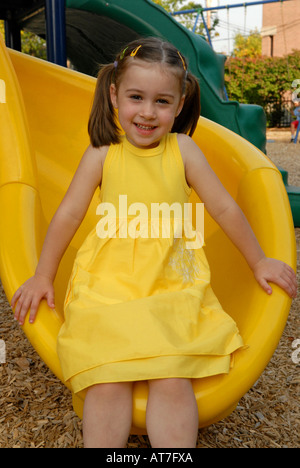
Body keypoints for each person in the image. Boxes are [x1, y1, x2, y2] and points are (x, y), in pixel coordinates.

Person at [11, 37, 297, 448]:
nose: (147, 112)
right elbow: (68, 215)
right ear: (114, 94)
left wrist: (259, 262)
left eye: (162, 101)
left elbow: (226, 209)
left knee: (172, 374)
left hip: (169, 282)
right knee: (107, 377)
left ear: (180, 105)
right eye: (136, 97)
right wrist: (42, 274)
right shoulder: (102, 152)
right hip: (108, 286)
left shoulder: (183, 150)